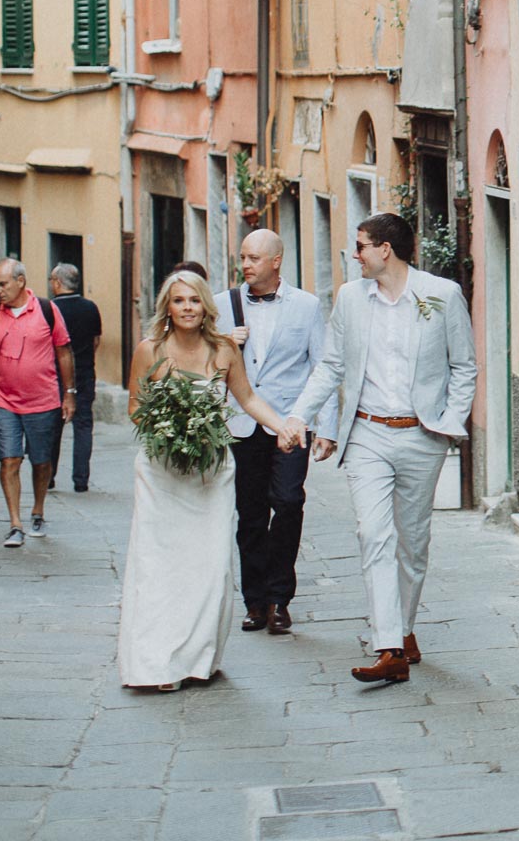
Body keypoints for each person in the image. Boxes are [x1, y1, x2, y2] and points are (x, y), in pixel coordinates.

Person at [291, 212, 476, 685]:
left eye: (360, 246)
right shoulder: (351, 300)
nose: (355, 255)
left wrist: (448, 422)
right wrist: (299, 416)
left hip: (422, 435)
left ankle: (405, 629)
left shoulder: (441, 295)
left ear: (385, 249)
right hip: (368, 434)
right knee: (374, 535)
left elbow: (465, 367)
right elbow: (331, 366)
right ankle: (389, 645)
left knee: (412, 544)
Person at [117, 270, 307, 691]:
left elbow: (249, 399)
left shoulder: (223, 350)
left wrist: (284, 427)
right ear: (167, 305)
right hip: (160, 471)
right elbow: (134, 405)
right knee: (159, 564)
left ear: (206, 306)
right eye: (179, 300)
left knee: (209, 564)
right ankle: (155, 661)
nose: (187, 308)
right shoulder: (150, 350)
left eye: (194, 300)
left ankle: (198, 657)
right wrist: (167, 428)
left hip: (211, 470)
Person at [216, 230, 331, 635]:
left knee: (287, 502)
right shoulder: (221, 306)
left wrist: (325, 428)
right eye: (243, 258)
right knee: (249, 514)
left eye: (254, 258)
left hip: (290, 423)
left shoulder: (307, 306)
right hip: (242, 423)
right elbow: (205, 363)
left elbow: (323, 367)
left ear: (276, 261)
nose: (245, 265)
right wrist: (225, 344)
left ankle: (281, 597)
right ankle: (255, 601)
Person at [0, 260, 73, 549]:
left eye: (2, 284)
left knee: (42, 462)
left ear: (20, 281)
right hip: (3, 399)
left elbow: (64, 352)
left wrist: (69, 394)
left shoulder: (46, 309)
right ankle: (15, 524)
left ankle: (38, 510)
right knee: (10, 459)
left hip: (43, 399)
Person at [47, 264, 103, 493]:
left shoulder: (50, 309)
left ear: (58, 282)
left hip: (55, 375)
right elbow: (96, 341)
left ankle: (48, 476)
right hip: (84, 373)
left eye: (52, 279)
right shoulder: (90, 308)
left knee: (53, 427)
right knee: (83, 426)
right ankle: (81, 479)